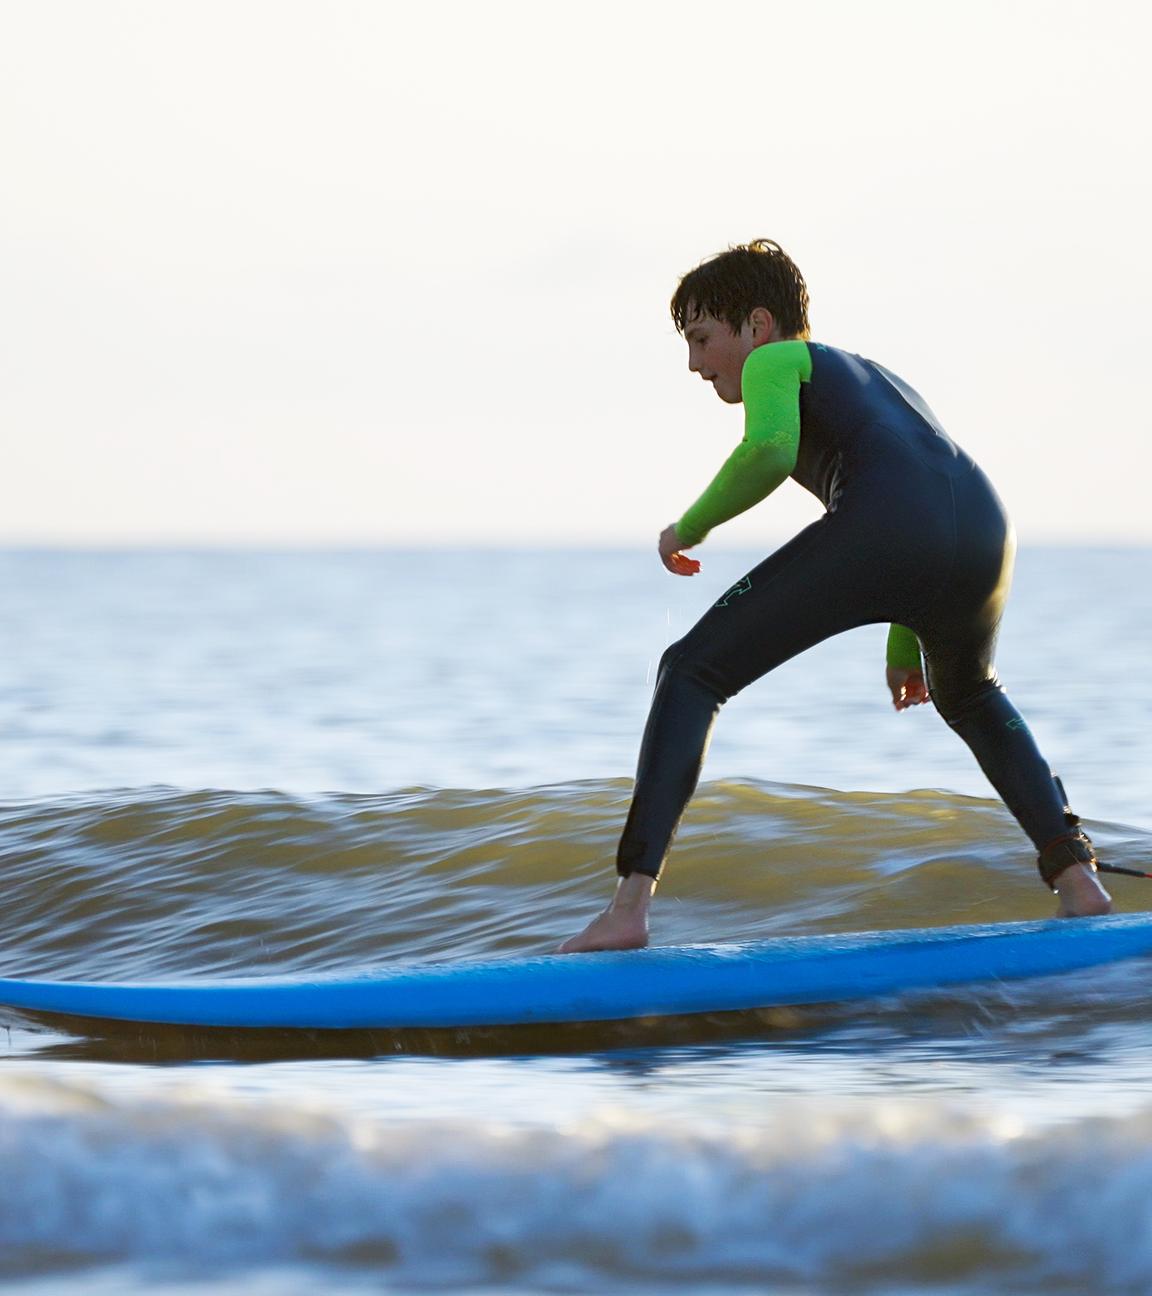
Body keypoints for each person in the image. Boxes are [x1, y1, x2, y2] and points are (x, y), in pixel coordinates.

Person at [559, 239, 1112, 955]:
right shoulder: (879, 376)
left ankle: (628, 908)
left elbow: (770, 451)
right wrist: (906, 639)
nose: (696, 365)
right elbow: (927, 489)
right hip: (984, 531)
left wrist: (685, 528)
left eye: (702, 339)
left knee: (692, 670)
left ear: (757, 324)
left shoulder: (773, 361)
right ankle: (1078, 881)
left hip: (891, 525)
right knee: (970, 696)